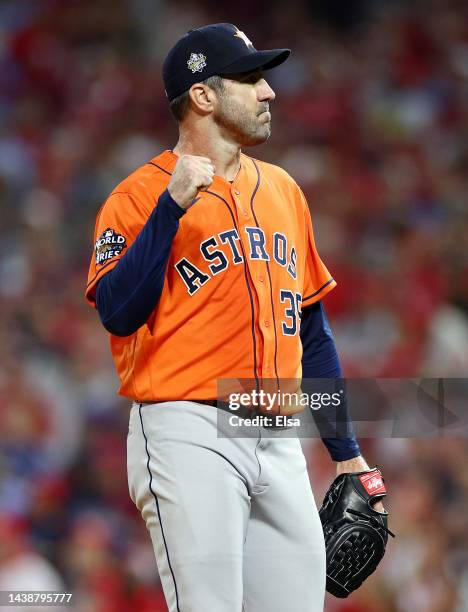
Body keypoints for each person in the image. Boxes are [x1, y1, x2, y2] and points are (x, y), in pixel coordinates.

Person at [85, 23, 384, 612]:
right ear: (203, 95)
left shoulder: (282, 190)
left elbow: (313, 334)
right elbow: (119, 313)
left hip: (275, 431)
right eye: (250, 79)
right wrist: (170, 209)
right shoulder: (136, 197)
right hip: (186, 426)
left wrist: (346, 451)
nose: (268, 92)